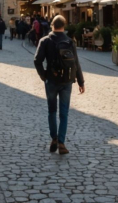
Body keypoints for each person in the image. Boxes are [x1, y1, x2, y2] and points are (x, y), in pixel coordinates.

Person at [33, 15, 85, 155]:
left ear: (52, 25)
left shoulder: (45, 41)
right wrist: (81, 81)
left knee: (51, 111)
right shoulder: (69, 41)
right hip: (67, 81)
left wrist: (43, 75)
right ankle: (61, 142)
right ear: (64, 26)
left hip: (51, 80)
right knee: (64, 113)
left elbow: (37, 60)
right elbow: (76, 63)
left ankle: (54, 138)